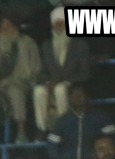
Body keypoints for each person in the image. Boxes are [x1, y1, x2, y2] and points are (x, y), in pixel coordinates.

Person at [45, 84, 115, 159]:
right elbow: (52, 146)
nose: (81, 99)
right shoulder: (62, 120)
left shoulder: (100, 117)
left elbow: (112, 139)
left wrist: (98, 156)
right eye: (76, 96)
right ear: (70, 99)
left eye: (83, 95)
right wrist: (63, 158)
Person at [0, 16, 40, 145]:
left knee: (15, 91)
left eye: (8, 25)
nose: (5, 28)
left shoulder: (27, 43)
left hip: (21, 85)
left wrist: (22, 81)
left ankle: (21, 132)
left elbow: (35, 68)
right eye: (2, 26)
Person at [34, 7, 90, 139]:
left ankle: (64, 128)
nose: (59, 27)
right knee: (38, 91)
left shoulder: (80, 45)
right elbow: (41, 71)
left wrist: (64, 81)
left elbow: (85, 73)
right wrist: (48, 82)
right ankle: (42, 129)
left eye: (62, 23)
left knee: (60, 89)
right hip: (50, 85)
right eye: (56, 24)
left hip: (71, 85)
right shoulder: (46, 46)